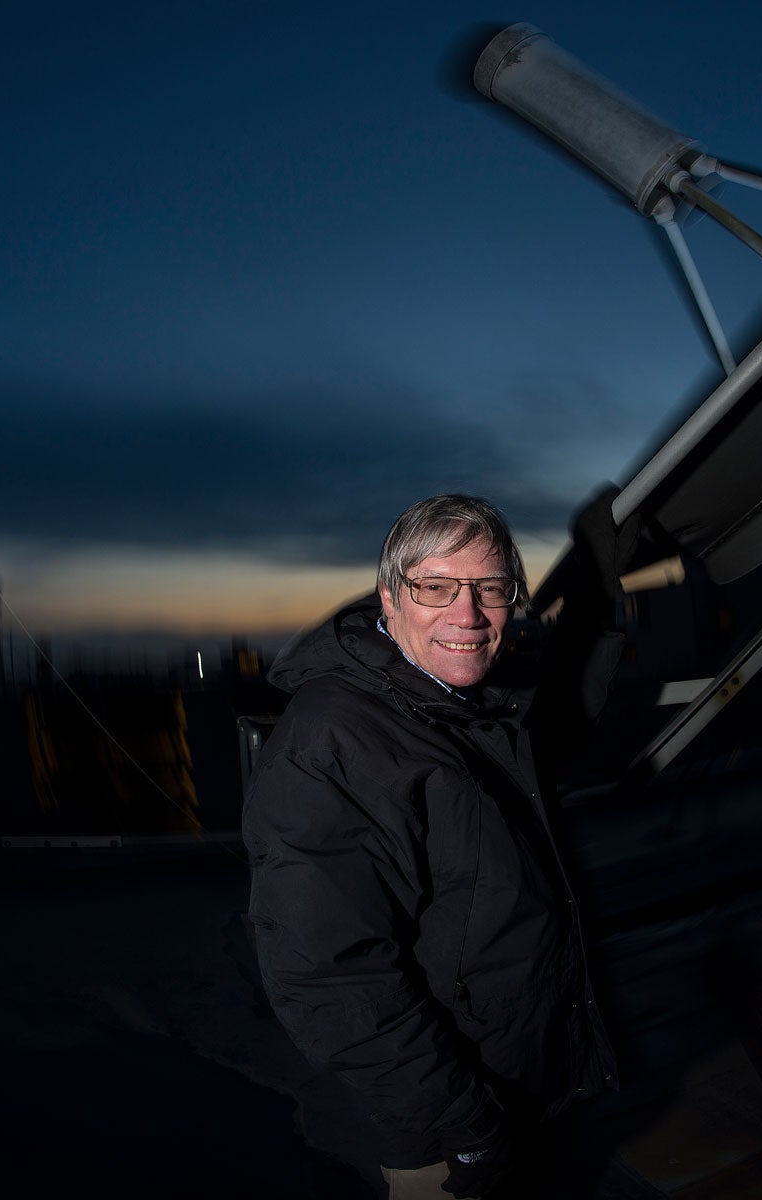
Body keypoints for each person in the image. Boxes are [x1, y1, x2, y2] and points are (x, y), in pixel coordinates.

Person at [243, 492, 634, 1198]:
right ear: (389, 600)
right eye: (435, 587)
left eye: (490, 588)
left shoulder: (448, 708)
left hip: (522, 1085)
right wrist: (466, 1128)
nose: (468, 614)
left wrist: (603, 592)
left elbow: (565, 715)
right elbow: (327, 975)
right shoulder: (337, 737)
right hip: (453, 1133)